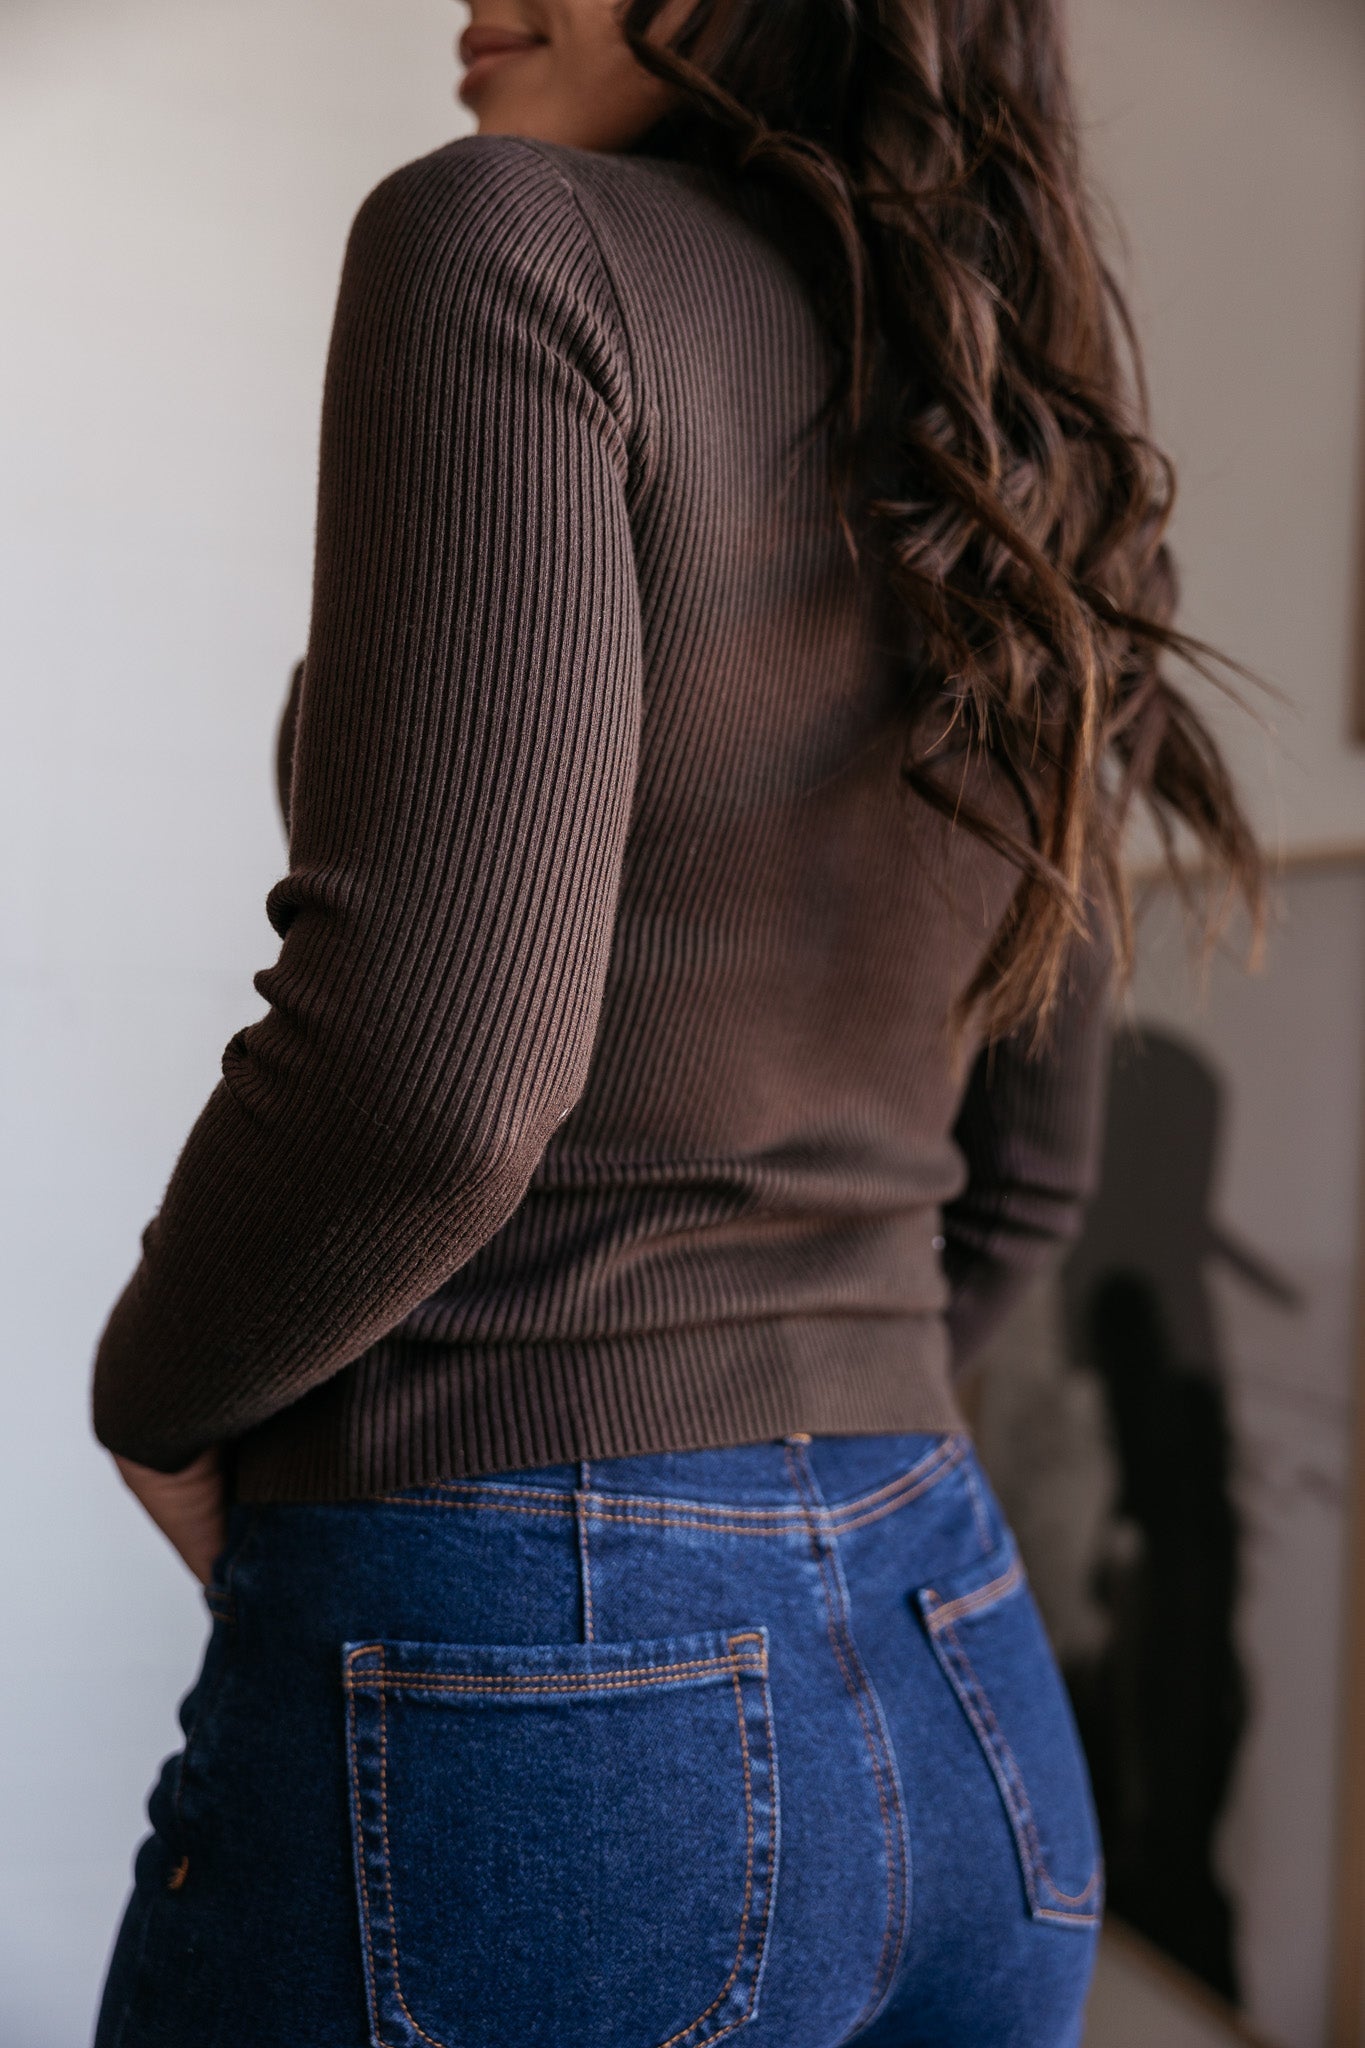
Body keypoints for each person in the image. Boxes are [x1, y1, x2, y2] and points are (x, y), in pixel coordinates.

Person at [89, 3, 1263, 2044]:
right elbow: (1031, 1172)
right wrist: (814, 1465)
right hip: (957, 1671)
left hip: (539, 1697)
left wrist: (159, 1389)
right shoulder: (1028, 458)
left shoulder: (508, 245)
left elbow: (433, 1072)